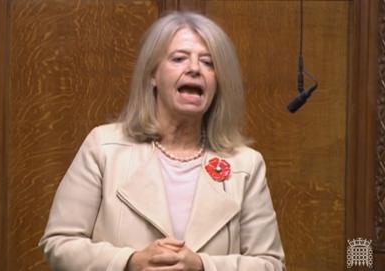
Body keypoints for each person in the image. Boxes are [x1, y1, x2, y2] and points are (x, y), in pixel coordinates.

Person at [39, 11, 286, 271]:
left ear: (218, 82)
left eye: (209, 62)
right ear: (152, 75)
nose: (194, 68)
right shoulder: (103, 147)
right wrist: (130, 262)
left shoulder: (246, 163)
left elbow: (270, 264)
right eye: (179, 58)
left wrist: (203, 266)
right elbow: (60, 243)